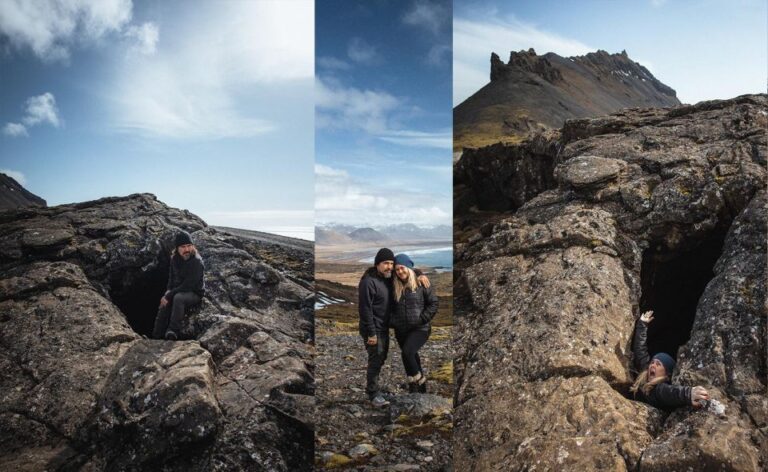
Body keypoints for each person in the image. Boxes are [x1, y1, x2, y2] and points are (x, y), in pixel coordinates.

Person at [358, 248, 429, 407]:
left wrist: (419, 273)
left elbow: (406, 269)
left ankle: (376, 390)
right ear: (377, 264)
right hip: (373, 329)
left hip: (383, 328)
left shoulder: (388, 278)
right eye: (385, 263)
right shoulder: (368, 282)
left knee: (381, 357)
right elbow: (365, 309)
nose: (389, 267)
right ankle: (373, 394)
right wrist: (371, 333)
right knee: (376, 359)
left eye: (391, 263)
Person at [630, 310, 709, 409]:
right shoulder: (645, 373)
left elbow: (671, 392)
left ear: (666, 374)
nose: (653, 365)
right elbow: (640, 350)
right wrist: (642, 324)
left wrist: (688, 394)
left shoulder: (660, 389)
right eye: (652, 362)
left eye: (658, 364)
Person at [391, 253, 438, 393]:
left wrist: (422, 319)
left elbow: (433, 303)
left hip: (420, 328)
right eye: (397, 269)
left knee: (407, 352)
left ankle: (419, 380)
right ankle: (418, 389)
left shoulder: (421, 283)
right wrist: (392, 322)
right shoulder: (393, 285)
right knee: (411, 356)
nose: (400, 271)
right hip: (401, 329)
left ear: (408, 267)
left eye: (402, 268)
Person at [152, 231, 205, 341]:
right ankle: (156, 335)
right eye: (183, 247)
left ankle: (172, 330)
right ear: (177, 248)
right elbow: (171, 278)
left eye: (189, 246)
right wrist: (168, 291)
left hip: (194, 292)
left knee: (178, 298)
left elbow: (188, 285)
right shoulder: (174, 259)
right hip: (179, 289)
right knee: (164, 303)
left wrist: (170, 295)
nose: (187, 249)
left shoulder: (197, 262)